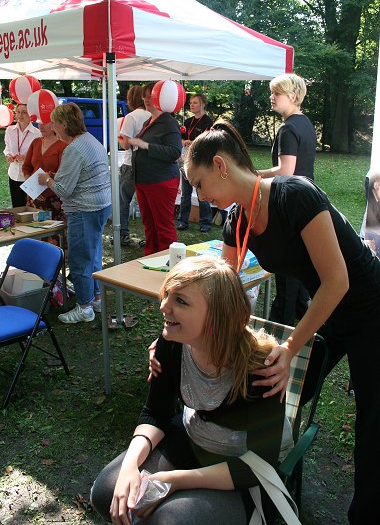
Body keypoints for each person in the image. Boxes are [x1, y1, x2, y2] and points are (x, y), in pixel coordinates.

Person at [180, 119, 380, 525]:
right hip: (330, 308)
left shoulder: (295, 195)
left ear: (220, 165)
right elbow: (220, 286)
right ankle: (265, 476)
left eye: (198, 184)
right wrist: (179, 334)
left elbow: (337, 281)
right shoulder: (237, 220)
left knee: (372, 424)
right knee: (279, 390)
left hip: (370, 306)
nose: (198, 195)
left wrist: (291, 347)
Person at [91, 256, 291, 525]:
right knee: (107, 492)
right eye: (167, 295)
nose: (163, 307)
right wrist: (130, 464)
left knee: (170, 520)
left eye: (180, 301)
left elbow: (258, 465)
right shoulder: (171, 344)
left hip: (242, 469)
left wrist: (174, 481)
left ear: (217, 316)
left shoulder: (262, 370)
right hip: (192, 439)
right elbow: (156, 413)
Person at [38, 103, 112, 324]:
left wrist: (47, 180)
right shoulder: (91, 140)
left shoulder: (74, 148)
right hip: (100, 206)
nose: (53, 127)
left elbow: (63, 190)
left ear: (64, 124)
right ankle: (96, 298)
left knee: (80, 260)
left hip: (84, 209)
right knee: (94, 255)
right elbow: (78, 176)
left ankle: (85, 307)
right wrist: (57, 177)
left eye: (55, 123)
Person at [258, 74, 316, 326]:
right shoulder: (305, 123)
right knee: (300, 269)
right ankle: (307, 323)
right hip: (307, 200)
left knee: (287, 272)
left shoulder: (289, 127)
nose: (272, 97)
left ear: (292, 97)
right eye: (272, 92)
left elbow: (285, 170)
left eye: (277, 93)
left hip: (290, 204)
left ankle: (279, 328)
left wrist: (256, 175)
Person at [128, 82, 182, 256]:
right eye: (145, 96)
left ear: (161, 98)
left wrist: (144, 145)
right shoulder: (148, 121)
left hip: (160, 181)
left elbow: (174, 152)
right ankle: (152, 256)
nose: (146, 100)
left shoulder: (168, 122)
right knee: (149, 224)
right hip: (144, 180)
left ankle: (169, 261)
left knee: (163, 225)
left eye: (150, 96)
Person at [117, 85, 151, 246]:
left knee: (124, 201)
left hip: (130, 163)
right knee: (146, 204)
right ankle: (149, 237)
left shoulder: (131, 117)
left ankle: (123, 234)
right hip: (149, 165)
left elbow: (125, 144)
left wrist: (119, 137)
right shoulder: (153, 115)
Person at [177, 94, 213, 233]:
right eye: (191, 103)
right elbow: (180, 138)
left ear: (203, 104)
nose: (191, 105)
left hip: (200, 162)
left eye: (195, 103)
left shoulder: (208, 121)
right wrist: (184, 142)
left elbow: (207, 140)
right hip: (186, 160)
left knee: (201, 192)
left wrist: (192, 142)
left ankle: (206, 223)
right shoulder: (188, 121)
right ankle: (182, 221)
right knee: (185, 193)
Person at [22, 121, 67, 221]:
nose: (40, 126)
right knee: (33, 231)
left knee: (52, 233)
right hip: (33, 197)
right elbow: (26, 167)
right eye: (39, 123)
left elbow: (62, 174)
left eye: (44, 123)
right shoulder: (36, 142)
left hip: (52, 198)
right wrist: (32, 188)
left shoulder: (63, 146)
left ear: (54, 124)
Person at [3, 103, 41, 207]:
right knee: (17, 207)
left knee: (31, 207)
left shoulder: (37, 133)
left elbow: (39, 155)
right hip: (14, 174)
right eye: (18, 112)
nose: (20, 115)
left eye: (24, 112)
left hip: (29, 175)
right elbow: (7, 148)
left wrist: (26, 159)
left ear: (31, 115)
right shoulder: (10, 130)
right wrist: (8, 156)